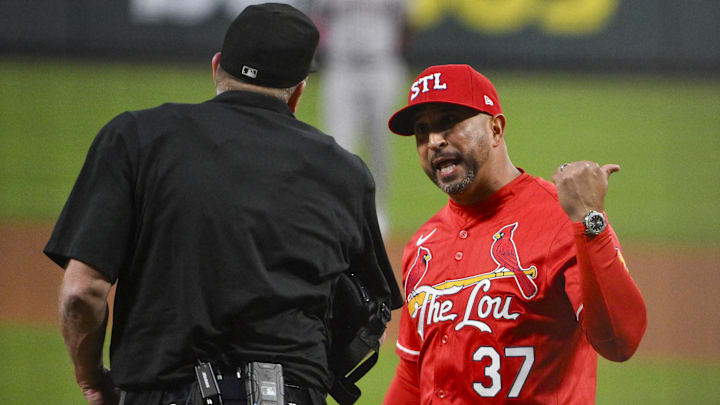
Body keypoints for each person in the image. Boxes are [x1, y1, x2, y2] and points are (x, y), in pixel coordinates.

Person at [44, 3, 401, 405]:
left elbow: (81, 293)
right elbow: (371, 321)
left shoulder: (135, 138)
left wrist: (92, 379)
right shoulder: (345, 172)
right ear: (298, 92)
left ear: (216, 68)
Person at [382, 64, 647, 404]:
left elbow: (620, 341)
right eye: (422, 130)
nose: (434, 141)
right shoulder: (423, 245)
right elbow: (412, 375)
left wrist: (591, 220)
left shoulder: (561, 218)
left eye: (449, 121)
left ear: (495, 129)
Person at [311, 0, 409, 236]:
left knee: (380, 145)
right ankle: (338, 214)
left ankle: (378, 212)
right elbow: (315, 20)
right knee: (336, 147)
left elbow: (408, 23)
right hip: (341, 68)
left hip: (381, 65)